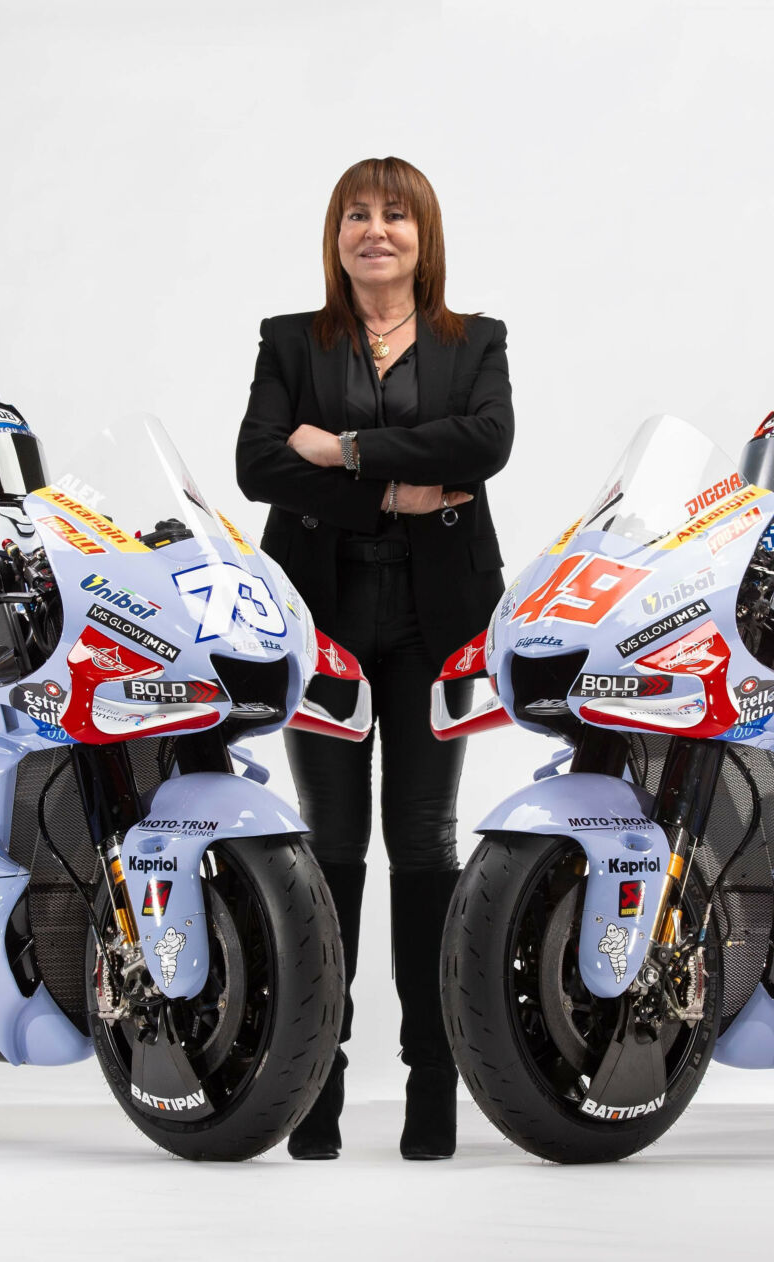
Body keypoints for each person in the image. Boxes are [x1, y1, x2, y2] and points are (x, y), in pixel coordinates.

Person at [236, 156, 514, 1160]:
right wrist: (403, 487)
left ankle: (435, 1089)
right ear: (335, 233)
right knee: (334, 841)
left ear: (423, 234)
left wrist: (344, 454)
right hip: (324, 615)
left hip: (438, 617)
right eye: (357, 213)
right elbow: (258, 461)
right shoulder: (291, 341)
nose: (376, 231)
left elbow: (484, 443)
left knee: (427, 839)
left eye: (396, 215)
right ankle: (315, 1090)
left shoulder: (474, 340)